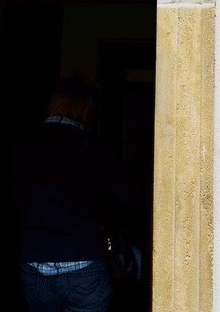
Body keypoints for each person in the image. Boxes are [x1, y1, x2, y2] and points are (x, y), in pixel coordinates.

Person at [14, 77, 140, 312]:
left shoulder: (22, 145)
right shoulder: (91, 146)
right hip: (84, 260)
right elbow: (129, 194)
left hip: (34, 260)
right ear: (86, 109)